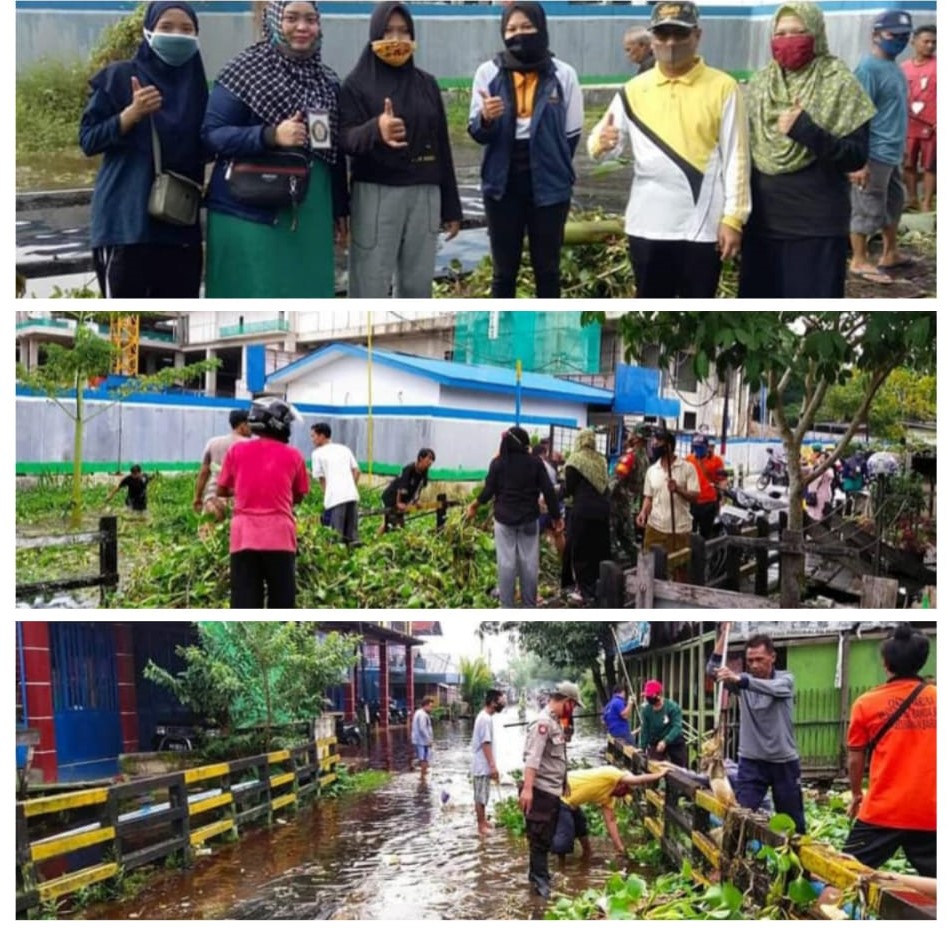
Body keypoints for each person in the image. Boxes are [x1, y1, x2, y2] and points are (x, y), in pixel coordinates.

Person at [588, 1, 751, 298]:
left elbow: (737, 158)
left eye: (680, 34)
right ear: (652, 40)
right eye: (663, 36)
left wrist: (733, 218)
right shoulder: (634, 90)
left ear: (697, 35)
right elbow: (600, 143)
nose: (671, 43)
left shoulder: (723, 88)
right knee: (650, 312)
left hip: (702, 227)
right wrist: (603, 142)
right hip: (647, 225)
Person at [202, 1, 349, 298]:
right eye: (291, 18)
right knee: (254, 290)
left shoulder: (327, 80)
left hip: (311, 211)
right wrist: (270, 135)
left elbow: (332, 149)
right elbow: (211, 135)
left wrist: (340, 207)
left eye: (310, 19)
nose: (302, 27)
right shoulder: (244, 71)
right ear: (273, 21)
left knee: (307, 292)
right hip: (252, 211)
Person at [738, 3, 874, 299]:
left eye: (799, 32)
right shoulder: (761, 84)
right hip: (762, 225)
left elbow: (856, 155)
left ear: (816, 33)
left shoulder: (839, 83)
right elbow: (741, 151)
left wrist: (808, 131)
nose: (789, 40)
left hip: (816, 227)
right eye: (781, 33)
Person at [79, 1, 207, 299]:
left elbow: (207, 146)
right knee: (123, 320)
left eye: (187, 29)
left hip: (180, 230)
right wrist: (130, 115)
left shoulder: (198, 87)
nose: (177, 34)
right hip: (127, 226)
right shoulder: (120, 77)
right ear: (148, 31)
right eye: (166, 27)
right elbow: (88, 139)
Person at [340, 3, 462, 298]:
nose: (397, 39)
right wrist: (375, 129)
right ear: (374, 36)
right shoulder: (355, 85)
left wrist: (451, 205)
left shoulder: (427, 84)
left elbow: (442, 144)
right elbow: (343, 139)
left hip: (425, 195)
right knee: (370, 281)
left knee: (418, 285)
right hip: (377, 195)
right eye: (388, 31)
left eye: (404, 32)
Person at [469, 2, 584, 298]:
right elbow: (477, 132)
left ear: (541, 27)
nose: (519, 34)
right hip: (502, 182)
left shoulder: (564, 74)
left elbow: (571, 134)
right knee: (503, 271)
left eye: (526, 27)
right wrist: (487, 118)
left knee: (548, 270)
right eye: (511, 29)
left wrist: (551, 162)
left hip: (550, 184)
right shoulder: (488, 73)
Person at [842, 624, 935, 877]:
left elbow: (855, 758)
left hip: (883, 811)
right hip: (933, 813)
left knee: (844, 874)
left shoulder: (866, 704)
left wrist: (855, 794)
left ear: (885, 662)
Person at [707, 622, 806, 835]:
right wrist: (724, 635)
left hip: (784, 763)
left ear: (773, 657)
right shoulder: (744, 682)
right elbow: (712, 671)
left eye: (759, 659)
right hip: (752, 762)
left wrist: (739, 679)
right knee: (739, 818)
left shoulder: (785, 680)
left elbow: (771, 688)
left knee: (794, 823)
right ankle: (730, 865)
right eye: (750, 660)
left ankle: (799, 869)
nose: (754, 665)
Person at [216, 397, 310, 609]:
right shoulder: (294, 456)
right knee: (282, 604)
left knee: (244, 604)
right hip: (280, 537)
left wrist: (243, 490)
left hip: (243, 537)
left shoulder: (236, 451)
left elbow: (222, 489)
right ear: (279, 424)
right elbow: (299, 495)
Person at [849, 9, 913, 284]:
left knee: (895, 202)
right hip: (873, 153)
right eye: (893, 35)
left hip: (892, 152)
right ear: (875, 35)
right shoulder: (868, 69)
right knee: (866, 207)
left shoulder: (895, 67)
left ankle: (890, 252)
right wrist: (858, 161)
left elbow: (895, 112)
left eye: (904, 36)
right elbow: (856, 115)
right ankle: (859, 260)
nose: (899, 40)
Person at [466, 426, 562, 608]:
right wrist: (556, 517)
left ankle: (507, 605)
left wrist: (474, 506)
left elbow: (488, 491)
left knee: (506, 563)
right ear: (525, 443)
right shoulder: (535, 463)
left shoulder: (498, 463)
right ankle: (529, 605)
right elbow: (548, 491)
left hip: (504, 521)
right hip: (529, 519)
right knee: (529, 564)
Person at [519, 682, 581, 898]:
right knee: (539, 838)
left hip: (552, 790)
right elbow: (532, 759)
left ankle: (536, 878)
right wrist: (527, 789)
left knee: (543, 837)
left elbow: (556, 757)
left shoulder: (555, 722)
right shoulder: (543, 723)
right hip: (540, 790)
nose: (572, 711)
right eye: (572, 706)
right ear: (566, 701)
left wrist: (565, 782)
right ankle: (540, 886)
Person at [555, 765, 665, 859]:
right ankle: (561, 866)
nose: (625, 795)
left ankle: (587, 854)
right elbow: (638, 780)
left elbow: (611, 821)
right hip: (559, 794)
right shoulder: (611, 773)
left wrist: (619, 848)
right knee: (564, 838)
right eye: (626, 791)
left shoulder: (609, 797)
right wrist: (660, 774)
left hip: (571, 802)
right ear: (621, 784)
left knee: (581, 824)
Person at [636, 431, 700, 576]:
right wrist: (643, 512)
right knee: (649, 570)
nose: (653, 446)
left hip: (679, 530)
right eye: (653, 443)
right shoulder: (652, 470)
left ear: (669, 446)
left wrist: (677, 489)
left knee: (680, 571)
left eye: (657, 444)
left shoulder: (687, 468)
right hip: (655, 528)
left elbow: (695, 496)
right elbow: (649, 497)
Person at [563, 430, 610, 606]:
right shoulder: (601, 460)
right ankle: (601, 588)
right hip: (603, 510)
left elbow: (569, 488)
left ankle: (585, 592)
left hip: (583, 511)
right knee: (599, 550)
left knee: (581, 552)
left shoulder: (574, 461)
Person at [193, 409, 252, 522]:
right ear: (243, 425)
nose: (252, 430)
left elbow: (204, 473)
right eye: (250, 425)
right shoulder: (250, 445)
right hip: (240, 502)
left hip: (213, 499)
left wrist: (197, 498)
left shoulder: (213, 442)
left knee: (209, 537)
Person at [902, 24, 936, 213]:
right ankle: (912, 198)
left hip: (934, 126)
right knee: (908, 163)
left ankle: (926, 202)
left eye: (934, 43)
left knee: (931, 165)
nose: (930, 46)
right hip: (909, 124)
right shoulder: (903, 68)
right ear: (913, 42)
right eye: (926, 41)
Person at [309, 423, 360, 545]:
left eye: (313, 436)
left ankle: (337, 561)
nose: (312, 439)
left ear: (322, 436)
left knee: (336, 537)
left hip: (335, 498)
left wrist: (327, 496)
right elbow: (357, 471)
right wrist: (350, 486)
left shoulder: (317, 454)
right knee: (352, 537)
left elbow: (322, 479)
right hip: (352, 495)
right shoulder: (344, 449)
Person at [471, 688, 505, 837]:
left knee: (484, 794)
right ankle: (480, 826)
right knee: (480, 796)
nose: (503, 704)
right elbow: (485, 743)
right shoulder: (484, 718)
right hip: (481, 765)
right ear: (492, 702)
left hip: (483, 764)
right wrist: (492, 766)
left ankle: (483, 821)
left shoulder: (486, 717)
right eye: (501, 701)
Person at [381, 448, 436, 532]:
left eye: (432, 460)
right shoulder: (409, 470)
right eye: (429, 458)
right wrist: (399, 503)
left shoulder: (424, 473)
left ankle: (377, 537)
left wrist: (416, 501)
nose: (430, 462)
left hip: (403, 500)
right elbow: (401, 488)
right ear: (421, 458)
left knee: (390, 524)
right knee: (393, 524)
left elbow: (419, 488)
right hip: (391, 497)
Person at [639, 680, 687, 768]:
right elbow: (645, 730)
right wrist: (642, 747)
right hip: (656, 742)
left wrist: (666, 741)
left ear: (658, 695)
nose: (648, 698)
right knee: (652, 767)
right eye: (647, 696)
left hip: (674, 741)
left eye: (650, 696)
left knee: (679, 770)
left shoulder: (672, 707)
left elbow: (677, 727)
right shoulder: (646, 710)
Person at [686, 434, 725, 539]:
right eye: (696, 447)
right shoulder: (689, 460)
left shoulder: (716, 461)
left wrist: (721, 497)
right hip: (692, 502)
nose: (698, 450)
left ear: (707, 447)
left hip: (709, 503)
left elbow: (722, 480)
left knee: (706, 534)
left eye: (700, 447)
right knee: (690, 533)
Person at [411, 695, 435, 778]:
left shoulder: (418, 712)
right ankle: (423, 777)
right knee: (424, 759)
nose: (431, 708)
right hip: (422, 741)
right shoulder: (423, 715)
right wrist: (429, 740)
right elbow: (422, 728)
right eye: (431, 706)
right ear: (426, 705)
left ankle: (422, 773)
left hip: (419, 740)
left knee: (423, 758)